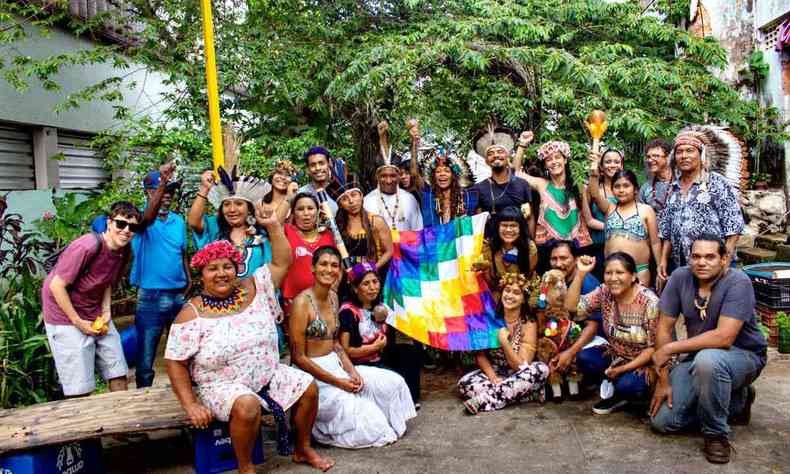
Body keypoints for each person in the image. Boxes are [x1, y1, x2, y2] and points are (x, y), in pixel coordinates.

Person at [164, 224, 334, 472]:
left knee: (307, 387)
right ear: (202, 275)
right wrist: (191, 405)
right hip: (220, 387)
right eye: (213, 269)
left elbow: (282, 262)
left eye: (227, 267)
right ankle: (246, 467)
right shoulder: (190, 314)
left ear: (237, 269)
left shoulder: (255, 287)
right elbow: (175, 362)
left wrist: (274, 226)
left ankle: (302, 448)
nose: (221, 273)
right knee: (247, 404)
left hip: (267, 374)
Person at [649, 235, 767, 465]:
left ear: (724, 259)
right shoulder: (679, 278)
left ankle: (715, 433)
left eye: (710, 257)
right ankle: (736, 401)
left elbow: (724, 337)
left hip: (744, 355)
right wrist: (663, 380)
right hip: (699, 356)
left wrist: (672, 348)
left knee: (709, 361)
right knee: (662, 422)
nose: (701, 262)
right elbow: (663, 328)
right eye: (696, 256)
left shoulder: (738, 282)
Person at [289, 246, 416, 449]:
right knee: (375, 426)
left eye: (334, 265)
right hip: (313, 376)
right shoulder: (301, 303)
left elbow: (336, 344)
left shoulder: (333, 297)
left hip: (337, 365)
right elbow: (298, 358)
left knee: (394, 383)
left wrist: (351, 371)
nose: (329, 270)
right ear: (313, 268)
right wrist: (339, 382)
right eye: (323, 264)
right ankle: (314, 430)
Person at [42, 201, 139, 397]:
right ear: (109, 223)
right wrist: (78, 322)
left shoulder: (125, 250)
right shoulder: (86, 246)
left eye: (133, 227)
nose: (127, 231)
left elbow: (107, 280)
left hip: (94, 311)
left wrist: (106, 311)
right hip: (64, 315)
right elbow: (56, 286)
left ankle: (124, 424)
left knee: (118, 372)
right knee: (81, 387)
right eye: (121, 224)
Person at [565, 252, 659, 415]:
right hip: (617, 355)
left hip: (644, 362)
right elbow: (571, 307)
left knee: (629, 386)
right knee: (584, 358)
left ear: (633, 276)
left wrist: (623, 370)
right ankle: (615, 387)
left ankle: (631, 393)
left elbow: (653, 348)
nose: (613, 278)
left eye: (620, 272)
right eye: (608, 273)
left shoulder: (649, 302)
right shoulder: (604, 291)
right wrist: (580, 274)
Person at [131, 164, 190, 388]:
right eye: (161, 192)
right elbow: (147, 218)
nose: (167, 197)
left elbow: (181, 251)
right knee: (146, 361)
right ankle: (141, 403)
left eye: (170, 193)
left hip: (177, 296)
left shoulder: (178, 221)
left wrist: (188, 280)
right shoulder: (140, 219)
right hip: (151, 298)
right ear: (149, 193)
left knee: (184, 353)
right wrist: (163, 181)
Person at [658, 129, 744, 280]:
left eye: (690, 151)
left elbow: (734, 228)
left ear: (701, 154)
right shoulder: (672, 188)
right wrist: (663, 260)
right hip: (683, 266)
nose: (684, 156)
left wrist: (724, 264)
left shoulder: (717, 183)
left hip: (713, 265)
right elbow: (667, 231)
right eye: (679, 152)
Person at [458, 272, 549, 414]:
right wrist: (493, 378)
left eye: (516, 293)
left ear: (523, 299)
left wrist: (505, 343)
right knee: (465, 383)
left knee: (541, 369)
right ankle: (525, 395)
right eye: (507, 290)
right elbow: (480, 355)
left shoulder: (528, 323)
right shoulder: (491, 317)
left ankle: (483, 401)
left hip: (519, 374)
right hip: (496, 372)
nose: (510, 296)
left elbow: (521, 366)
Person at [514, 135, 592, 274]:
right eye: (549, 159)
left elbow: (589, 219)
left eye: (557, 157)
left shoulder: (579, 186)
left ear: (565, 160)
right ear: (545, 165)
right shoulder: (542, 184)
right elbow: (517, 172)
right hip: (548, 250)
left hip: (575, 248)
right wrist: (522, 145)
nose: (554, 162)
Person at [188, 167, 272, 277]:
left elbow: (271, 269)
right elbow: (194, 222)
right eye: (227, 204)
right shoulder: (214, 228)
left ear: (249, 209)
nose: (232, 209)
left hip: (256, 293)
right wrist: (204, 188)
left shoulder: (261, 233)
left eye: (238, 204)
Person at [588, 166, 661, 287]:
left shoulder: (646, 210)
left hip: (639, 271)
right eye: (617, 186)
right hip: (612, 272)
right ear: (612, 189)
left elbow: (655, 242)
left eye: (626, 186)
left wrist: (659, 266)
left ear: (635, 189)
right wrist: (594, 173)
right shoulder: (609, 209)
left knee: (637, 304)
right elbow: (594, 194)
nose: (621, 190)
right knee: (612, 305)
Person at [546, 240, 602, 376]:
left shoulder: (588, 282)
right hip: (562, 336)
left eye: (564, 258)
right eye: (554, 259)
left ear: (576, 259)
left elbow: (592, 328)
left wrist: (570, 353)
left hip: (590, 340)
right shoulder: (551, 280)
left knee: (585, 360)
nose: (558, 264)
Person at [469, 128, 534, 235]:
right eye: (490, 153)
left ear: (507, 156)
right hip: (491, 245)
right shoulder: (479, 188)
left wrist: (531, 243)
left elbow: (530, 217)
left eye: (500, 152)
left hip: (520, 245)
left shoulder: (522, 184)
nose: (496, 155)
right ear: (486, 161)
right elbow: (478, 222)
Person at [281, 193, 335, 317]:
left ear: (318, 211)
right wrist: (288, 197)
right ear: (293, 213)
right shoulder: (287, 232)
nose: (306, 213)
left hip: (324, 301)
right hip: (293, 301)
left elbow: (338, 266)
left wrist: (333, 291)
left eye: (310, 208)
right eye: (300, 209)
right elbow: (274, 223)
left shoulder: (328, 235)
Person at [473, 206, 537, 302]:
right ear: (497, 227)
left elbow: (528, 275)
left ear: (521, 228)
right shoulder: (488, 248)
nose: (508, 230)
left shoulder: (530, 249)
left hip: (523, 293)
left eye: (513, 226)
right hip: (497, 293)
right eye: (504, 225)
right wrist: (485, 270)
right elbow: (490, 283)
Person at [332, 173, 393, 270]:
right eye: (345, 199)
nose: (351, 201)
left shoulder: (376, 221)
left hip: (375, 277)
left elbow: (389, 251)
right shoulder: (338, 227)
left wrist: (372, 269)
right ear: (340, 205)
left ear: (361, 196)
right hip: (349, 278)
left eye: (354, 195)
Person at [364, 134, 423, 232]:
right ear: (377, 177)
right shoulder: (367, 202)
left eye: (393, 176)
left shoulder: (410, 199)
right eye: (384, 176)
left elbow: (418, 231)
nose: (388, 181)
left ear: (399, 176)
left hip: (406, 247)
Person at [582, 149, 623, 280]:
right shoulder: (590, 189)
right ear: (601, 166)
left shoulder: (627, 189)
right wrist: (612, 227)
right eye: (608, 162)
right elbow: (588, 220)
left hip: (622, 244)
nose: (612, 165)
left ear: (621, 165)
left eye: (616, 162)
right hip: (598, 245)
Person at [338, 262, 388, 366]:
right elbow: (345, 350)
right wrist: (374, 347)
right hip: (357, 367)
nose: (372, 287)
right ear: (355, 288)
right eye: (366, 283)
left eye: (375, 281)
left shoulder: (381, 307)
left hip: (380, 363)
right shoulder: (348, 312)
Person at [300, 147, 340, 216]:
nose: (318, 168)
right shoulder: (301, 193)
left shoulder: (340, 191)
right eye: (313, 165)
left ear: (329, 163)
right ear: (307, 169)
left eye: (321, 163)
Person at [639, 138, 674, 214]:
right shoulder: (645, 188)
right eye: (648, 157)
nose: (650, 160)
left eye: (656, 156)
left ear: (668, 157)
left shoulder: (681, 183)